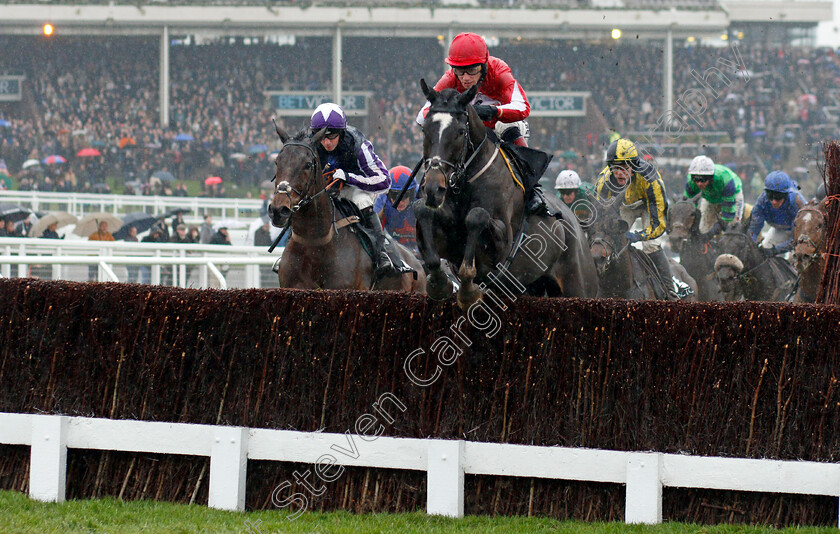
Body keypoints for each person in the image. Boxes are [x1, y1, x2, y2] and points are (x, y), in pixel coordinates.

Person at [310, 102, 397, 277]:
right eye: (322, 137)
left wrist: (349, 177)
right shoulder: (310, 143)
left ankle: (381, 254)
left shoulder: (358, 145)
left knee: (363, 201)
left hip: (354, 187)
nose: (326, 142)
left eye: (332, 136)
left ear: (341, 133)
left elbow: (384, 181)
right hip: (323, 188)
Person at [416, 32, 530, 148]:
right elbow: (421, 117)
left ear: (484, 65)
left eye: (472, 69)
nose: (465, 78)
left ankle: (527, 165)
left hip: (500, 123)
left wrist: (492, 111)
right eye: (459, 70)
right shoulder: (450, 78)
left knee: (506, 126)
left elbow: (523, 107)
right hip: (469, 127)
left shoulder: (499, 71)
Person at [594, 138, 671, 280]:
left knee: (650, 245)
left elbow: (659, 224)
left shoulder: (650, 179)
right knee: (611, 235)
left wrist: (638, 236)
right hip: (626, 206)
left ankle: (669, 287)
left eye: (624, 167)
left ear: (634, 166)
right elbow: (600, 216)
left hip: (649, 206)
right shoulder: (604, 181)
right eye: (615, 167)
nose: (618, 173)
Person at [748, 171, 806, 258]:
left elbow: (795, 239)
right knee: (764, 252)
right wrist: (751, 243)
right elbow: (754, 227)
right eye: (770, 195)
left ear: (786, 195)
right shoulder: (762, 200)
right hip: (779, 230)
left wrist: (776, 250)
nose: (773, 201)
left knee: (797, 259)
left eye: (778, 197)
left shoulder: (797, 204)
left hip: (800, 234)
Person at [684, 155, 744, 237]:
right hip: (711, 198)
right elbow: (687, 205)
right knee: (703, 229)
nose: (699, 183)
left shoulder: (725, 181)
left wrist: (715, 230)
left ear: (710, 177)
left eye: (703, 179)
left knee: (730, 230)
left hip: (733, 195)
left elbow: (728, 216)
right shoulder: (691, 181)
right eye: (696, 179)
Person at [374, 165, 418, 256]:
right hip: (395, 252)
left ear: (412, 193)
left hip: (420, 252)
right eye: (394, 195)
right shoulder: (382, 200)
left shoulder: (421, 200)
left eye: (404, 195)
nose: (399, 202)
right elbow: (373, 228)